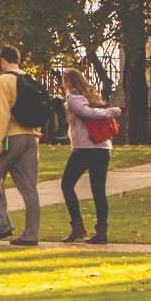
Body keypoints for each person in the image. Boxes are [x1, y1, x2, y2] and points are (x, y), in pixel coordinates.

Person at [0, 44, 42, 247]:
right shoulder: (30, 79)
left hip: (12, 136)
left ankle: (3, 223)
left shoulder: (4, 79)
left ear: (3, 61)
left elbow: (4, 112)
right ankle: (31, 234)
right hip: (32, 136)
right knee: (29, 188)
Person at [59, 68, 120, 245]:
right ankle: (101, 231)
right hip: (102, 148)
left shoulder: (73, 98)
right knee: (98, 191)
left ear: (68, 81)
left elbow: (88, 113)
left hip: (85, 149)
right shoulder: (92, 97)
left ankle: (78, 227)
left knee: (67, 185)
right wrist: (110, 111)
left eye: (64, 80)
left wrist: (112, 112)